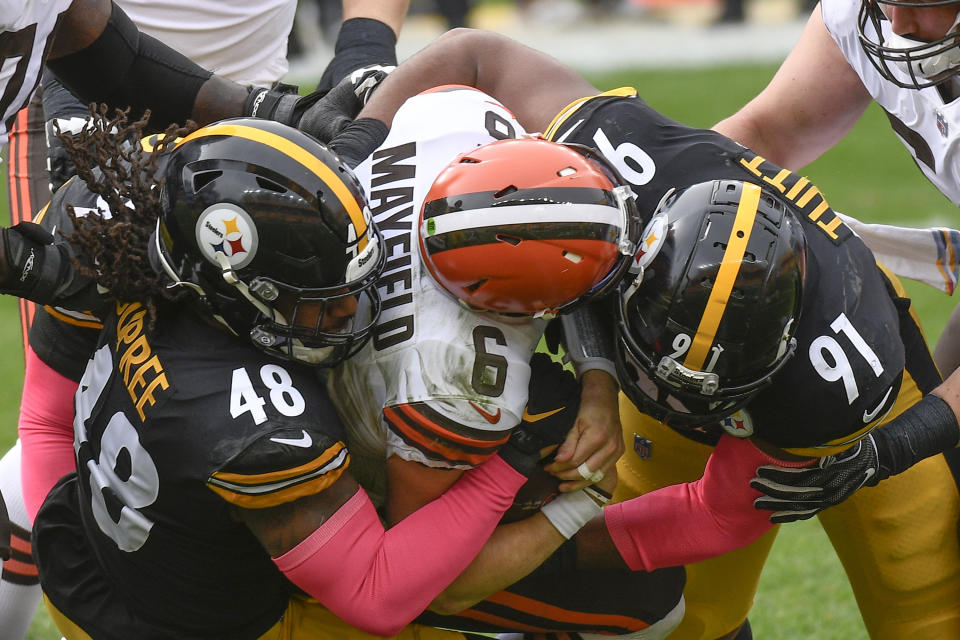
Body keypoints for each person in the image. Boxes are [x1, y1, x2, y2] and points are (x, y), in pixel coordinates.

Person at [334, 27, 960, 640]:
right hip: (669, 290)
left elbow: (719, 509)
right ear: (631, 256)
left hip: (848, 405)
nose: (676, 400)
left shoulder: (833, 380)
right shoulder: (612, 171)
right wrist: (349, 147)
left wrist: (893, 448)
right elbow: (472, 53)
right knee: (687, 615)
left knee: (925, 611)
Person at [28, 112, 547, 639]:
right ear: (238, 284)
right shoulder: (257, 423)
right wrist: (518, 456)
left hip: (82, 562)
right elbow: (377, 596)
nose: (351, 311)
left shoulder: (147, 259)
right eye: (321, 299)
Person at [0, 3, 408, 636]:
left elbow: (108, 50)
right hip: (98, 122)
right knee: (101, 404)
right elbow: (48, 414)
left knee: (277, 352)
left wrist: (276, 110)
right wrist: (36, 266)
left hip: (222, 119)